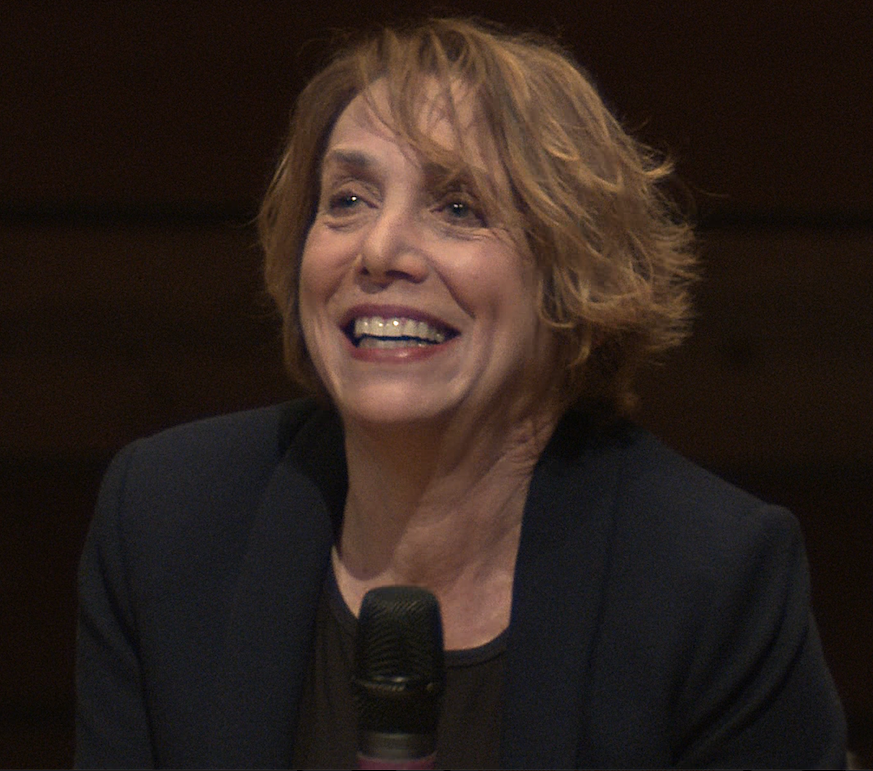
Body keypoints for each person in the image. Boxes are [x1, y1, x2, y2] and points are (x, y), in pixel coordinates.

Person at [75, 17, 846, 769]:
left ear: (571, 276)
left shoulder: (707, 578)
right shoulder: (167, 520)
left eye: (457, 207)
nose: (379, 249)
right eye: (346, 199)